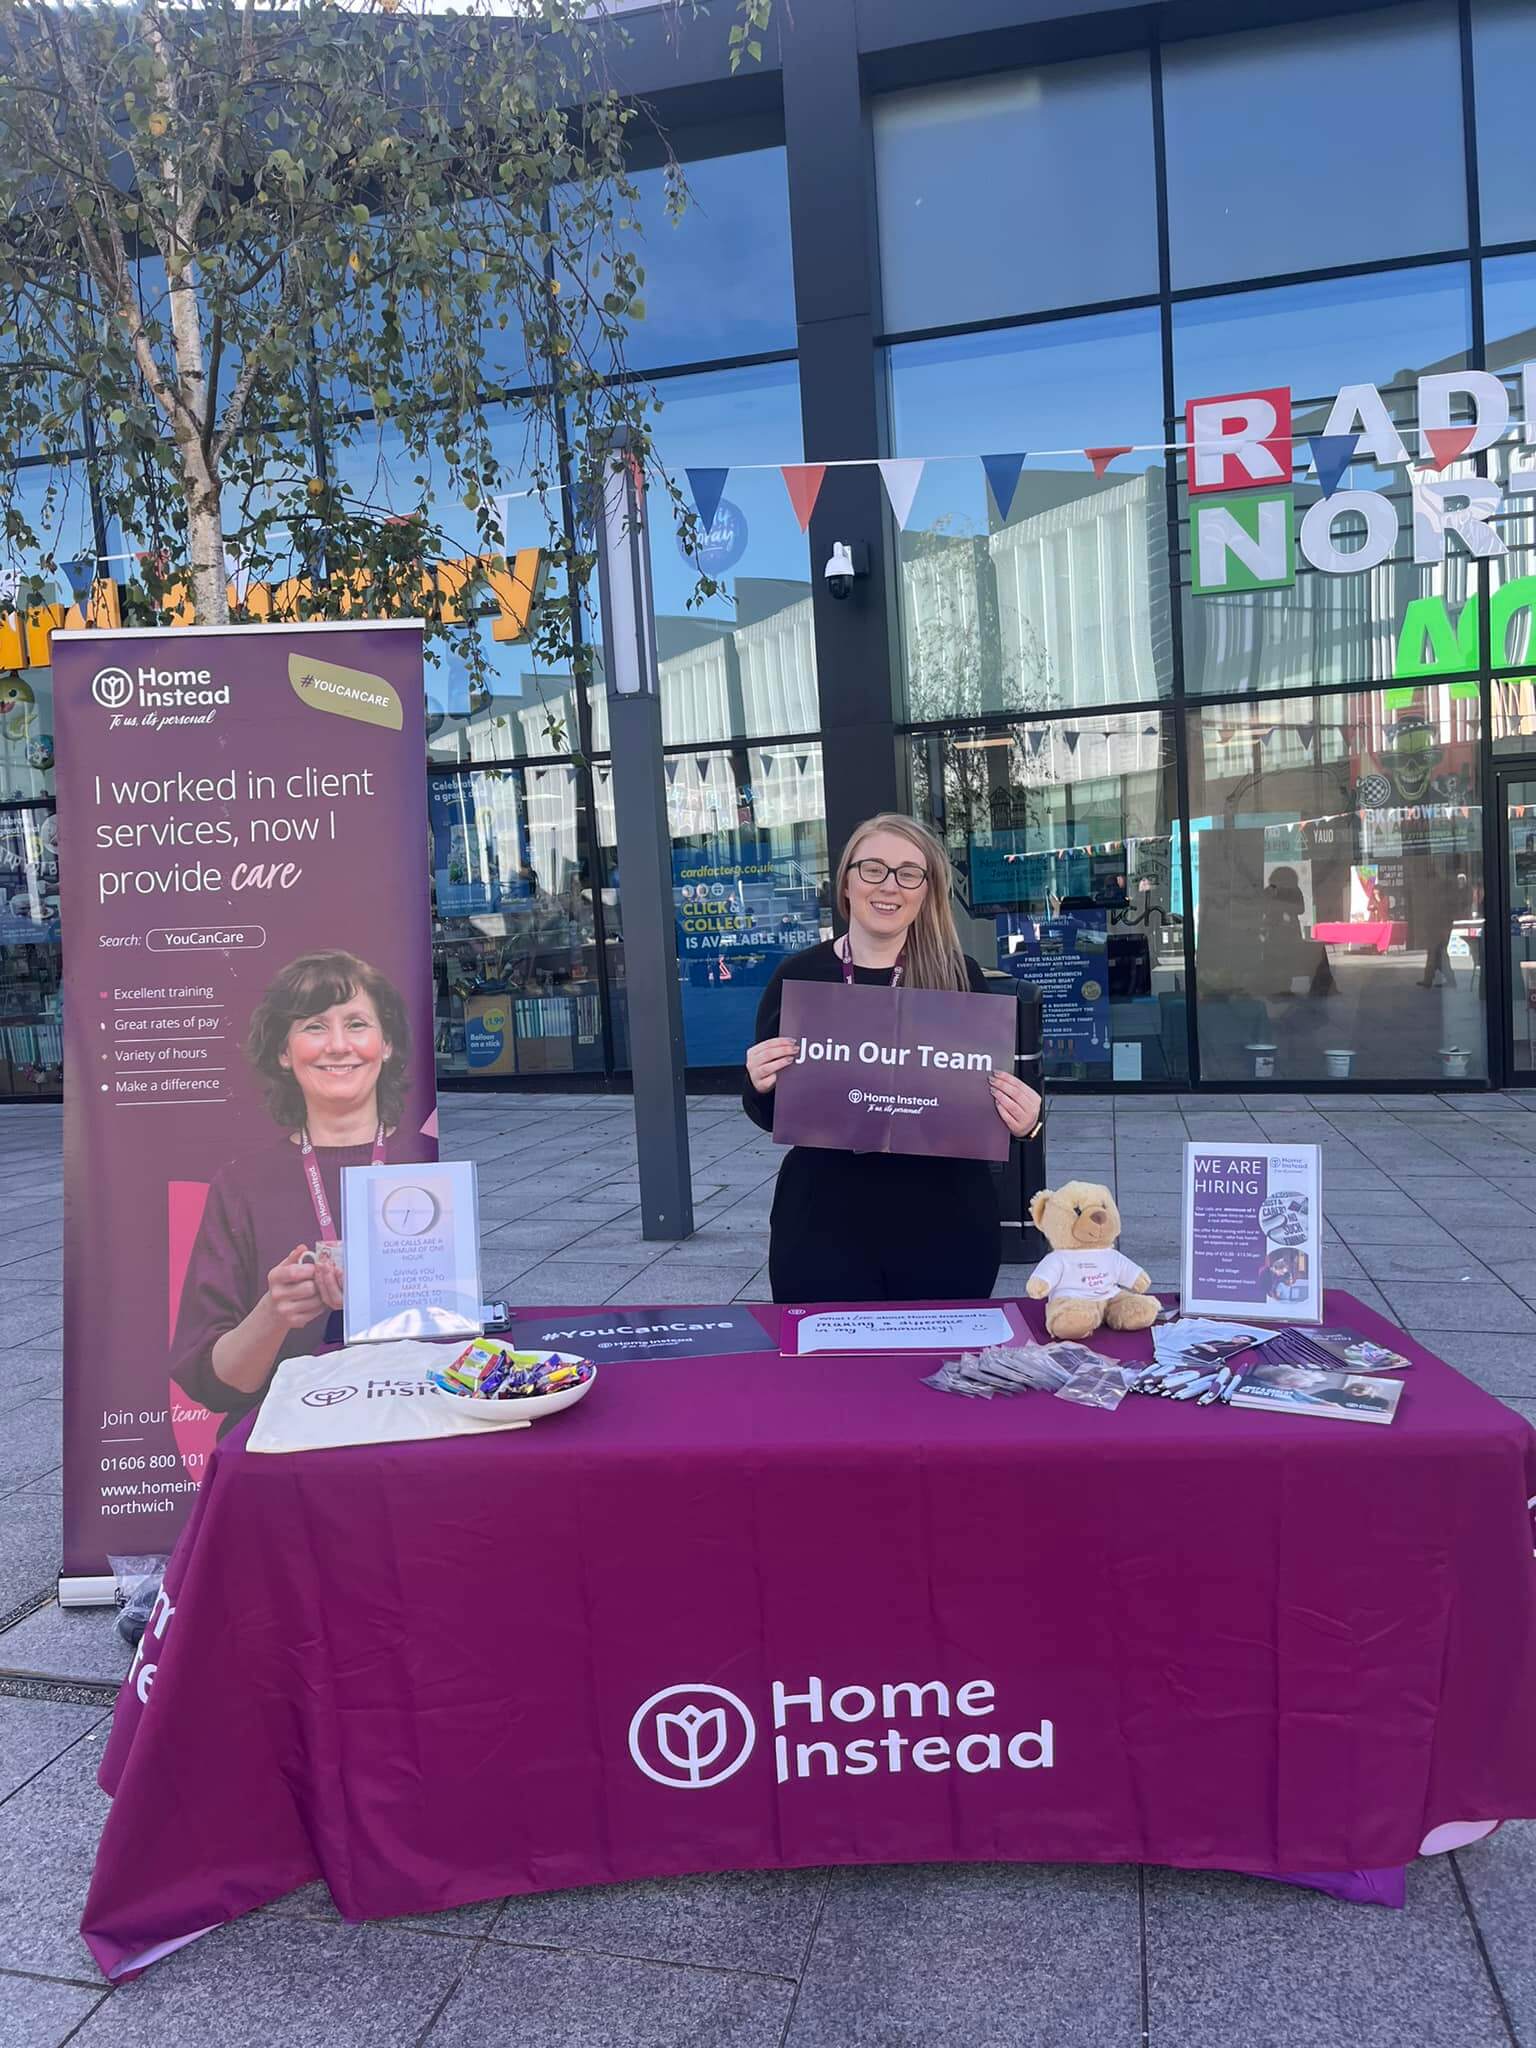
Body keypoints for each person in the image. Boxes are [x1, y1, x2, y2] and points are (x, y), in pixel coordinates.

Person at [743, 814, 1042, 1303]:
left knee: (937, 1373)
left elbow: (985, 1103)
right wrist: (758, 1083)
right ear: (846, 881)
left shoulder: (959, 974)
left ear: (926, 890)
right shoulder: (800, 976)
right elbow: (770, 1114)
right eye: (873, 869)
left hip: (945, 1225)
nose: (889, 886)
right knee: (829, 1375)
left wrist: (1027, 1120)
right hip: (824, 1225)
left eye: (908, 873)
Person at [171, 950, 429, 1434]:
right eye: (314, 1026)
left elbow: (461, 1334)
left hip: (415, 1430)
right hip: (287, 1450)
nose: (338, 1045)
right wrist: (274, 1314)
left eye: (356, 1024)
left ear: (387, 1043)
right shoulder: (242, 1184)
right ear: (283, 1053)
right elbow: (213, 1386)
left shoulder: (429, 1168)